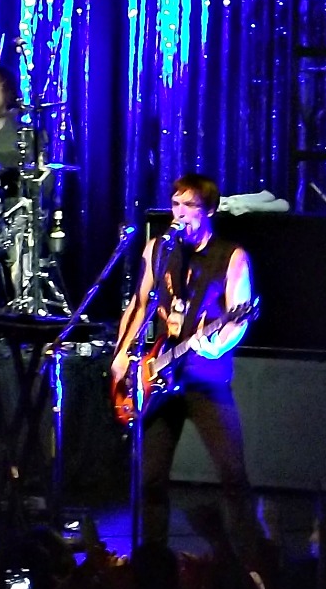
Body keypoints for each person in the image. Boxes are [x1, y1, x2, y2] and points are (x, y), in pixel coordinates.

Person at [110, 172, 260, 561]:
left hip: (206, 380)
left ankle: (251, 562)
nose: (180, 213)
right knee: (151, 478)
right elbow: (140, 305)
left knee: (232, 475)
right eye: (176, 204)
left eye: (190, 205)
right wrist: (122, 355)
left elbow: (238, 318)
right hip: (159, 374)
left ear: (209, 209)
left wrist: (217, 346)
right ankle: (152, 563)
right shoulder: (158, 249)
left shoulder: (232, 256)